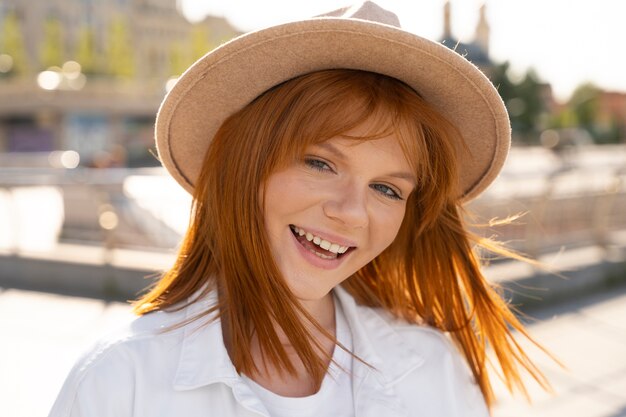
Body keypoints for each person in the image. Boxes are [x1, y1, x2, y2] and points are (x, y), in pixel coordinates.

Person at [49, 2, 551, 416]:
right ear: (245, 164)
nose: (352, 212)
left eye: (388, 190)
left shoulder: (432, 367)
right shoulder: (119, 381)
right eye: (320, 163)